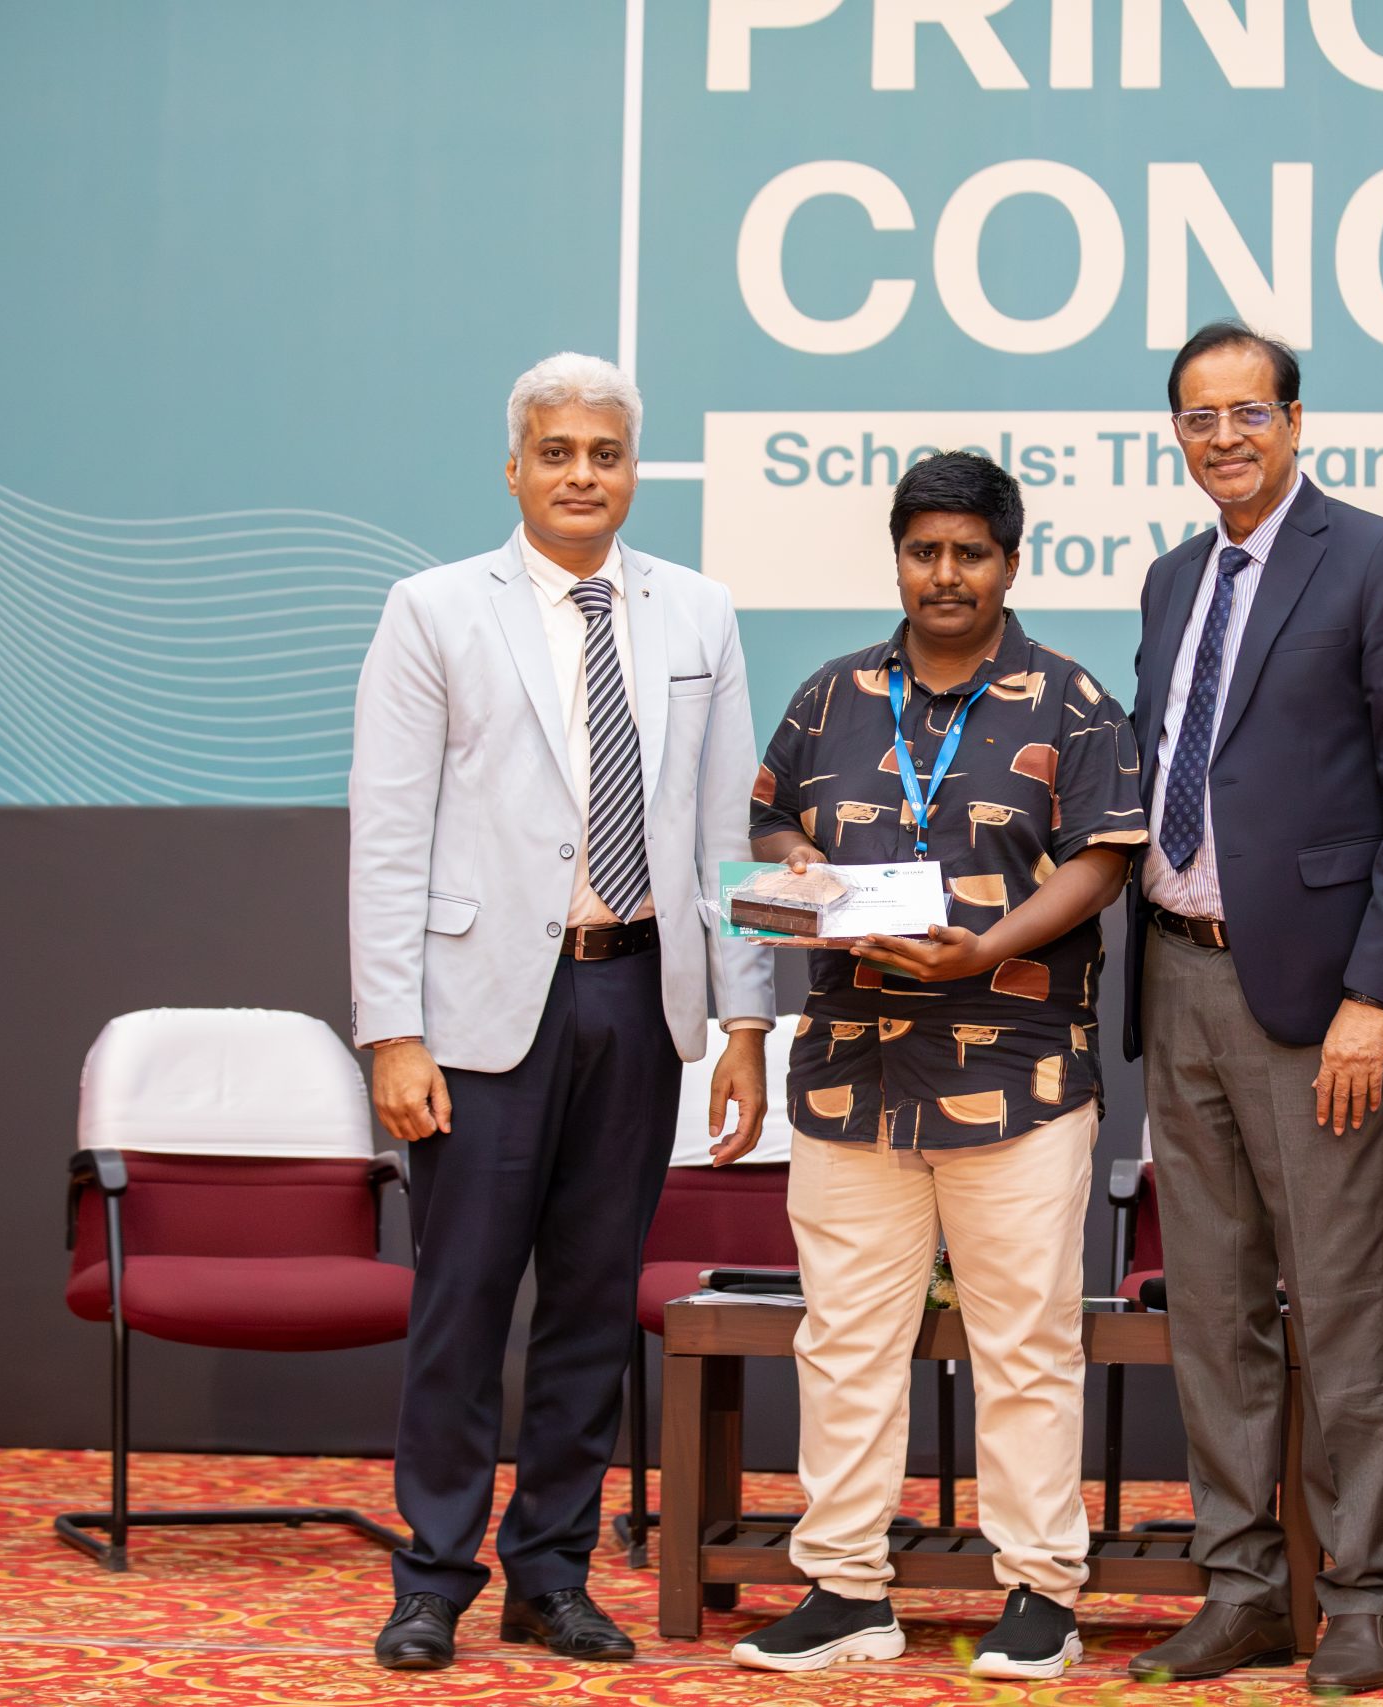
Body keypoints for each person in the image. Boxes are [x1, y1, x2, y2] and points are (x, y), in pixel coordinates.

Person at [348, 351, 775, 1671]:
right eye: (557, 452)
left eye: (605, 452)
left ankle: (552, 1572)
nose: (581, 474)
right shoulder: (432, 610)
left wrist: (746, 1022)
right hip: (477, 1011)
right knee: (462, 1302)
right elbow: (387, 835)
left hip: (638, 991)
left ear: (634, 468)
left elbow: (727, 834)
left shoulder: (699, 612)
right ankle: (433, 1577)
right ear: (514, 468)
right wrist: (392, 1031)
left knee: (593, 1303)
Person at [730, 451, 1147, 1682]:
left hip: (1018, 1071)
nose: (945, 574)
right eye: (925, 551)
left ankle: (1039, 1592)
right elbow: (770, 817)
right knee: (845, 1341)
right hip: (850, 1073)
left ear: (1010, 563)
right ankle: (845, 1587)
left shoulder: (1069, 701)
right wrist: (797, 872)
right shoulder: (831, 695)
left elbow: (1104, 860)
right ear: (899, 559)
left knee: (1023, 1344)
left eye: (970, 553)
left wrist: (990, 948)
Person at [1123, 323, 1383, 1695]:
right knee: (1212, 1311)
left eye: (1248, 411)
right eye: (1198, 417)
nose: (1224, 437)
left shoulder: (1379, 561)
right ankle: (1243, 1589)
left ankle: (1363, 1595)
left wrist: (1373, 996)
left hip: (1319, 1000)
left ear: (1296, 419)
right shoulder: (1171, 578)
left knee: (1334, 1310)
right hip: (1176, 973)